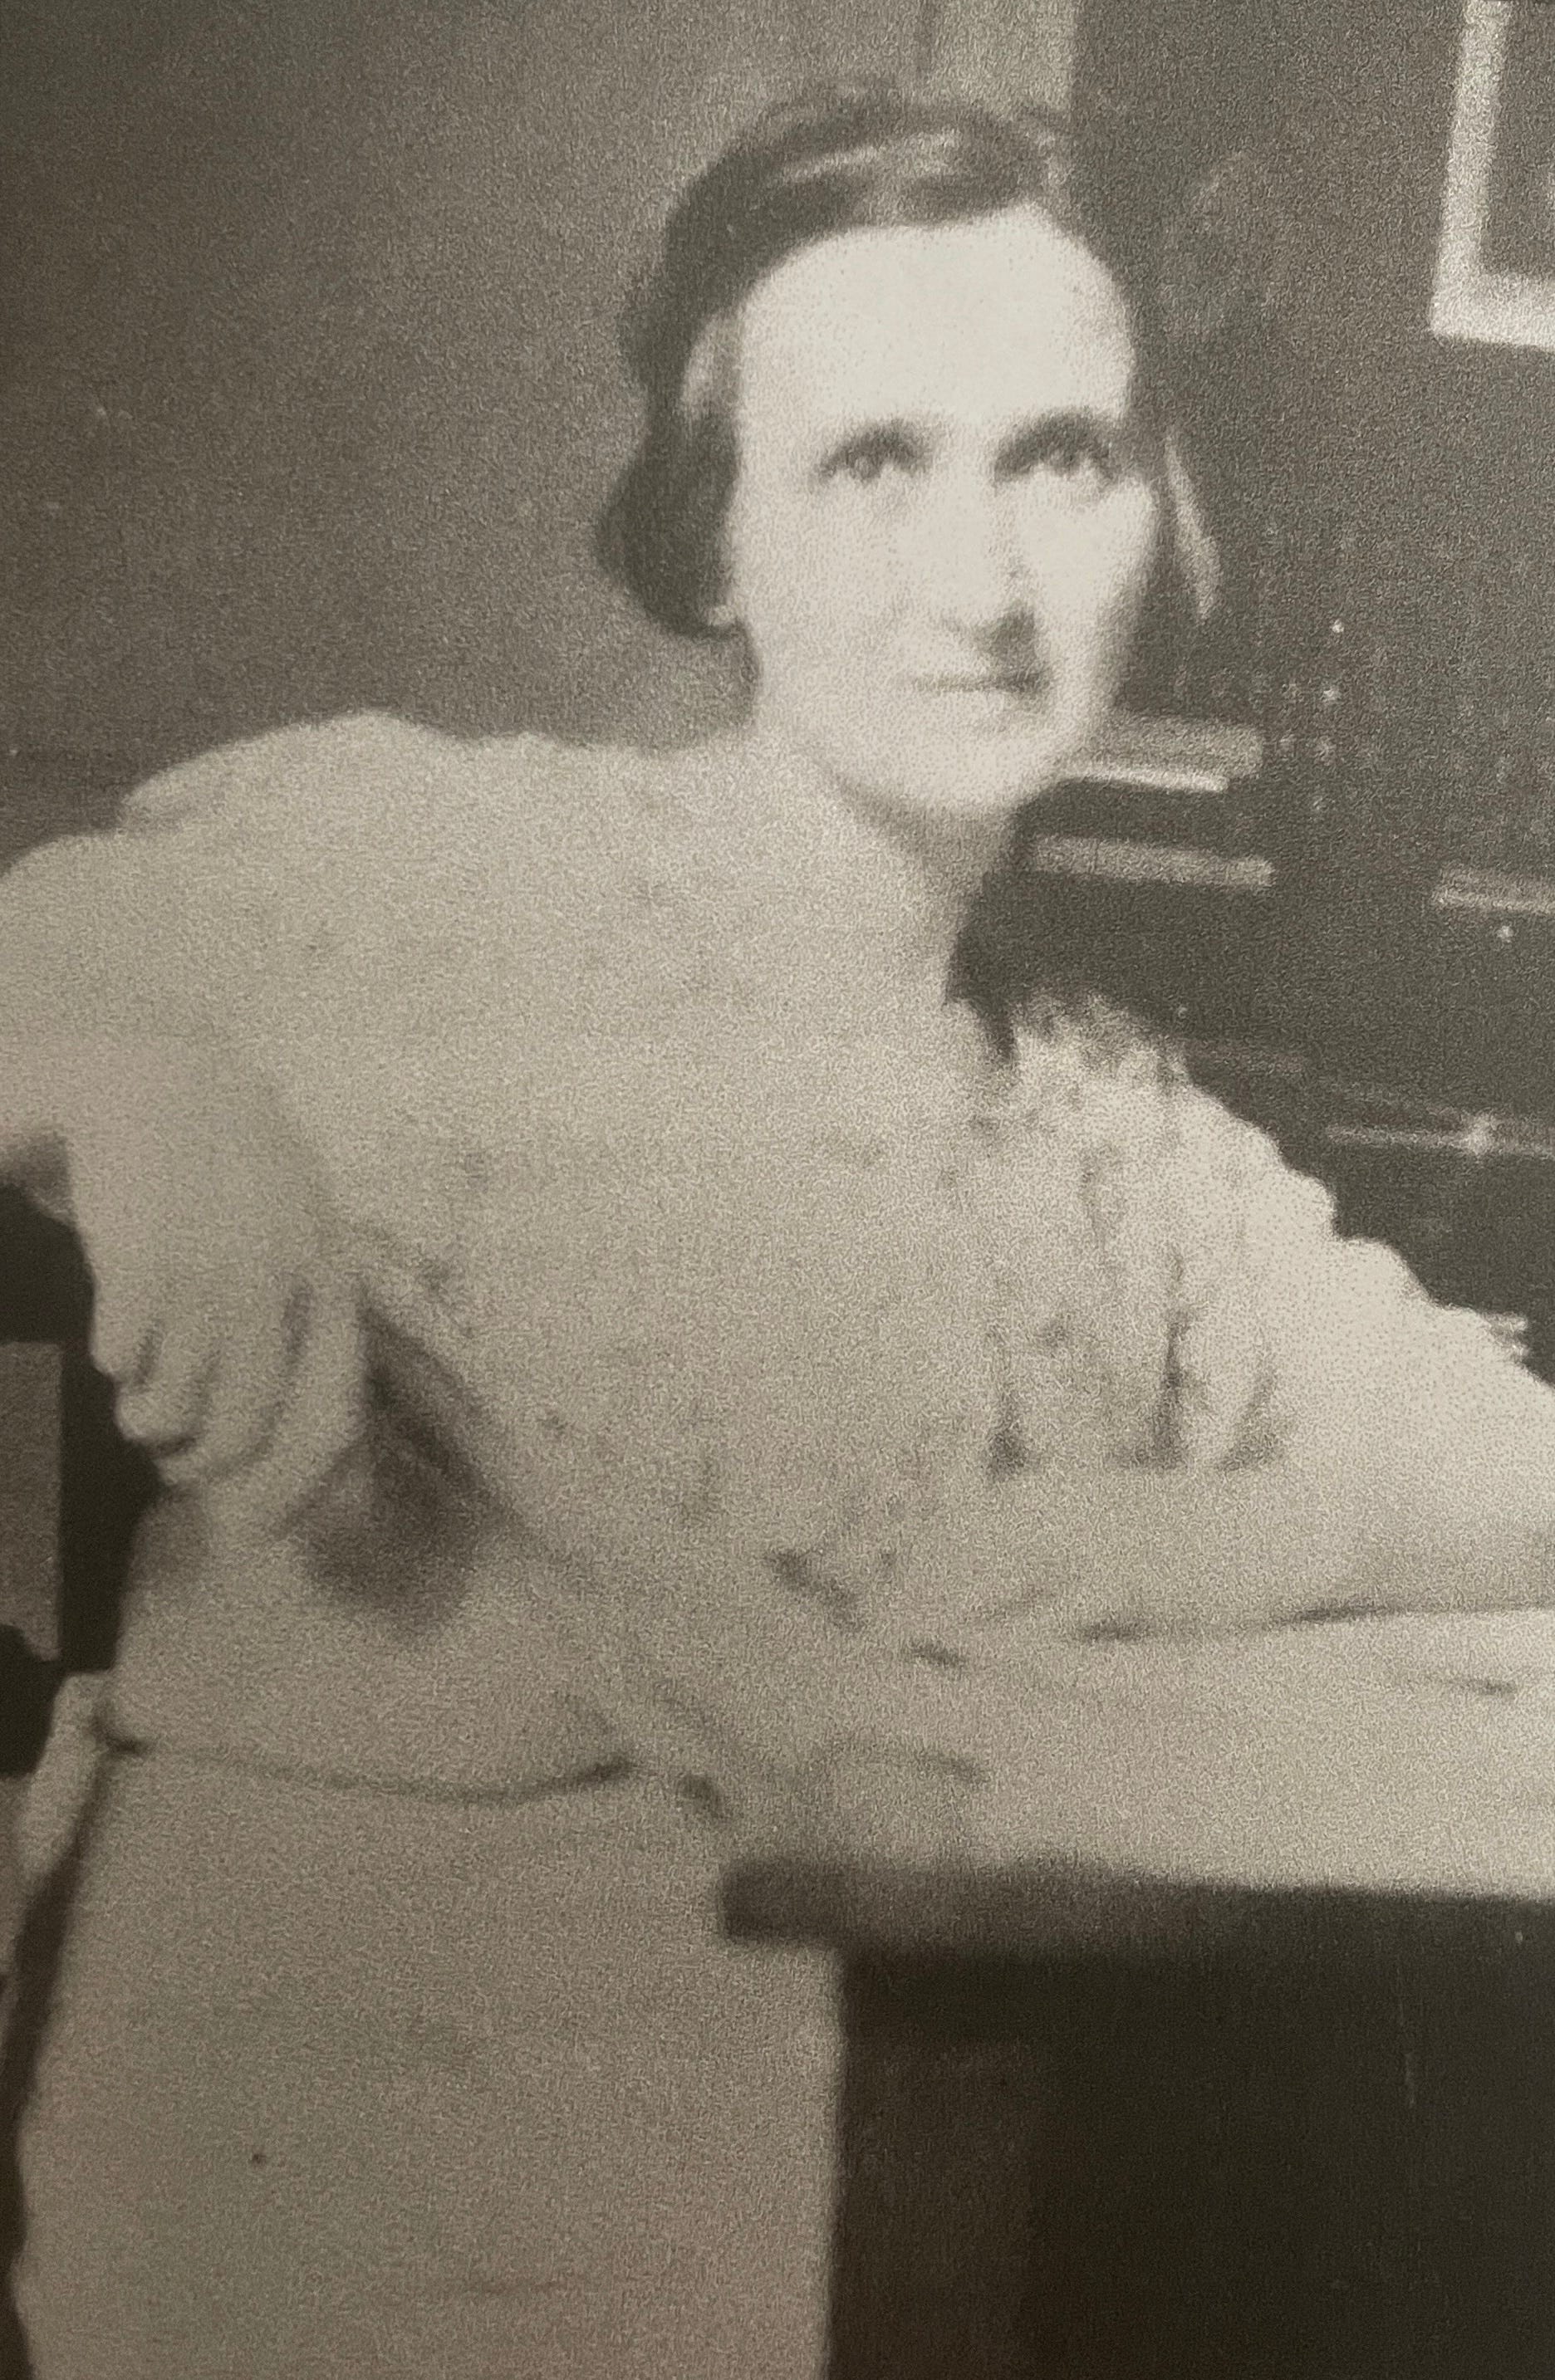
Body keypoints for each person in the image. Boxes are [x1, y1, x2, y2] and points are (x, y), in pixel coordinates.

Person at [3, 81, 1555, 2380]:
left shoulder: (1108, 1125)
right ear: (714, 537)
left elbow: (1518, 1473)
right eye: (873, 465)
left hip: (883, 2142)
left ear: (1169, 517)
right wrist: (143, 1094)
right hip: (355, 2149)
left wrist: (1205, 1542)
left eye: (1063, 457)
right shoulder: (448, 885)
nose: (985, 583)